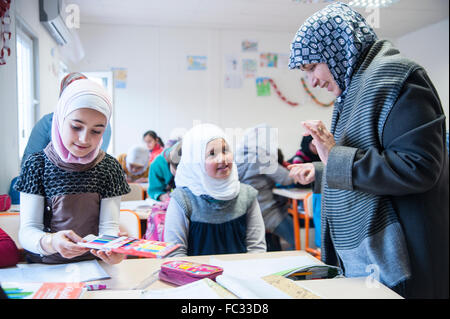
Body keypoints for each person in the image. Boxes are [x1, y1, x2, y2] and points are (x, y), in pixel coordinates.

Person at [287, 2, 448, 298]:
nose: (313, 81)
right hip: (377, 261)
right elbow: (361, 156)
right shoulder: (353, 89)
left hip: (407, 257)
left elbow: (419, 167)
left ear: (340, 47)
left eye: (312, 67)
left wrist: (335, 157)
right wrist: (322, 167)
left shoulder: (399, 77)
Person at [14, 77, 130, 265]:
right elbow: (28, 230)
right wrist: (52, 242)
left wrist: (112, 249)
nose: (84, 139)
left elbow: (109, 226)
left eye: (96, 131)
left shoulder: (109, 167)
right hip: (45, 267)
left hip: (94, 267)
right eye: (76, 127)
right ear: (60, 119)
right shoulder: (37, 166)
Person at [164, 123, 266, 256]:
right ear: (196, 162)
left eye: (225, 150)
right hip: (196, 275)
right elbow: (175, 254)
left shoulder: (247, 195)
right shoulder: (183, 200)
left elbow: (256, 249)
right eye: (212, 154)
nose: (222, 159)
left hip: (240, 273)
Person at [236, 123, 296, 250]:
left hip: (245, 212)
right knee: (297, 239)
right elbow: (286, 179)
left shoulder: (239, 156)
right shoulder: (261, 157)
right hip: (267, 212)